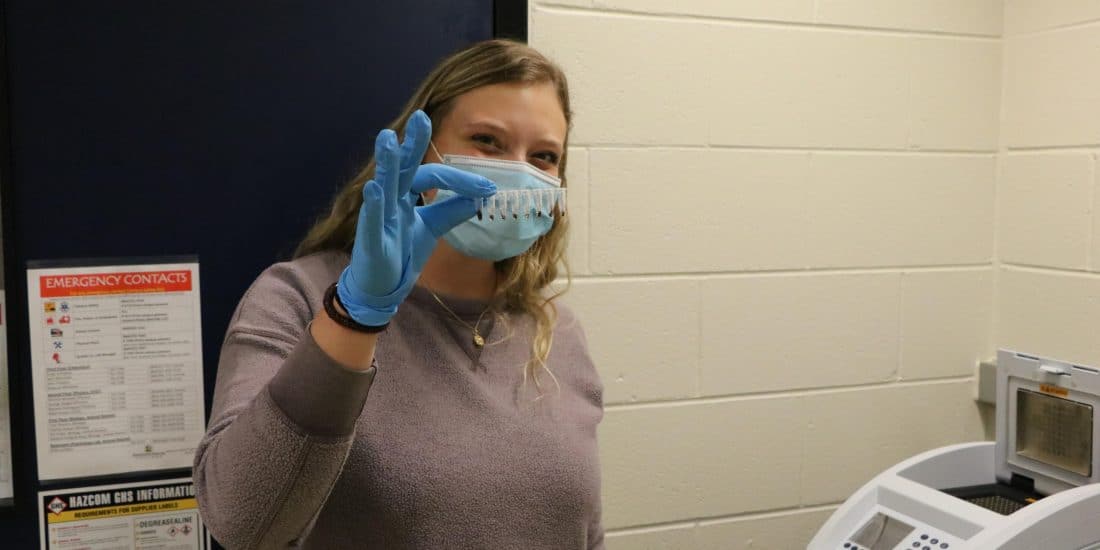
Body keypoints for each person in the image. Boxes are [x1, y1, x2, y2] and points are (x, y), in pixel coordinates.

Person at [193, 39, 605, 549]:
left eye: (543, 156)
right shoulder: (297, 298)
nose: (517, 171)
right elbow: (245, 524)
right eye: (487, 141)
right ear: (422, 149)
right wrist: (355, 316)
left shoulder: (555, 331)